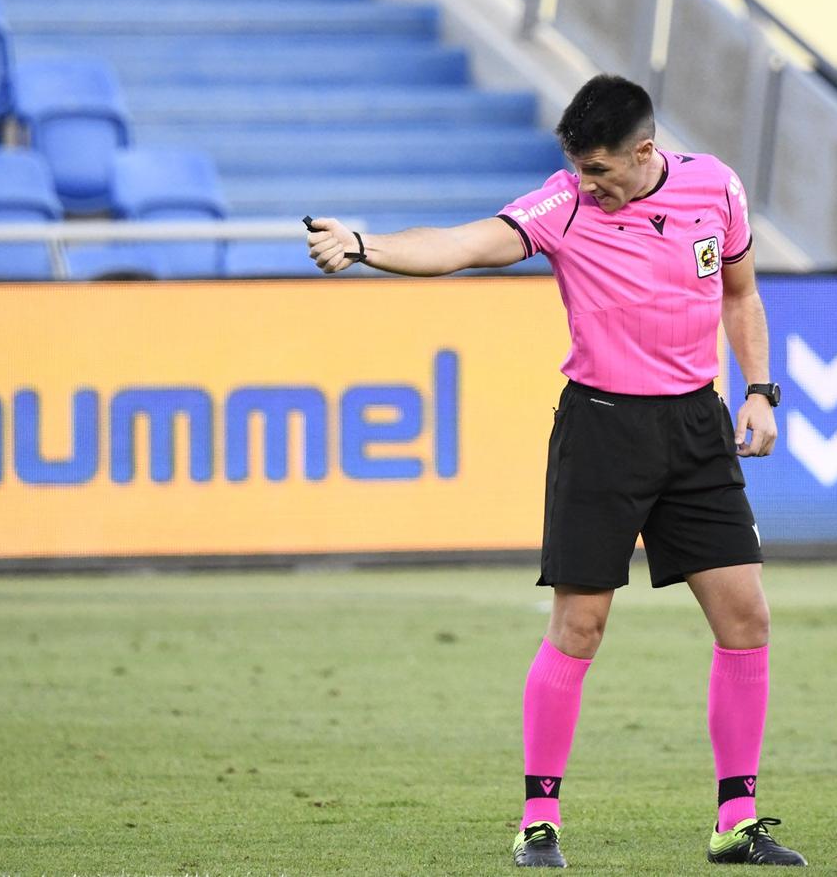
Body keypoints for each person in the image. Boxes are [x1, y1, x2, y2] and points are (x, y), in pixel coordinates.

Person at [306, 74, 806, 868]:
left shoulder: (717, 188)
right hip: (602, 430)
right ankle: (540, 820)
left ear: (646, 152)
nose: (586, 184)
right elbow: (467, 244)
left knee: (746, 618)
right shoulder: (565, 205)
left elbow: (740, 294)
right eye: (578, 169)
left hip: (696, 428)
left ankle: (737, 820)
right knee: (580, 626)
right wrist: (368, 247)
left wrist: (759, 391)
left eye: (600, 170)